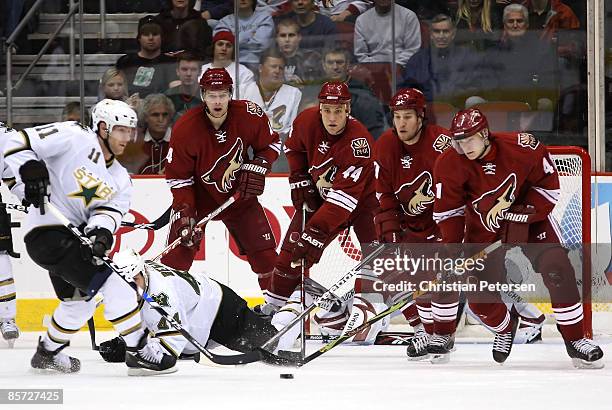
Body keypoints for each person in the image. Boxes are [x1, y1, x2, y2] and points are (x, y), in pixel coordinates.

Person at [433, 107, 604, 368]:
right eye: (458, 141)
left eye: (468, 139)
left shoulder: (522, 148)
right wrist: (454, 249)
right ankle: (505, 327)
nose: (463, 146)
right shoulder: (449, 163)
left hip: (531, 222)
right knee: (480, 298)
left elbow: (548, 187)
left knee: (557, 267)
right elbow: (449, 211)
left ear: (484, 133)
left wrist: (522, 217)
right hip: (483, 230)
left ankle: (576, 340)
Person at [2, 100, 156, 374]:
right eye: (120, 130)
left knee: (80, 301)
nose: (127, 137)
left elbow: (109, 212)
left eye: (130, 131)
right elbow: (17, 141)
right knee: (113, 284)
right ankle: (140, 350)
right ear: (103, 127)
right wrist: (31, 170)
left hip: (77, 241)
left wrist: (101, 235)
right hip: (47, 233)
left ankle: (48, 352)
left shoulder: (120, 177)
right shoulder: (74, 136)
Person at [264, 82, 379, 342]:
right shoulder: (306, 121)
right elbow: (293, 148)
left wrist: (315, 232)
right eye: (327, 110)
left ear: (348, 109)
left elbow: (343, 201)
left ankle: (371, 308)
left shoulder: (359, 141)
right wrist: (299, 176)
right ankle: (272, 309)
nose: (332, 117)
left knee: (375, 252)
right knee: (292, 251)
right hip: (320, 198)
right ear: (320, 108)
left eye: (338, 111)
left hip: (362, 203)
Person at [162, 68, 281, 301]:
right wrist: (185, 211)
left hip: (240, 195)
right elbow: (178, 178)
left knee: (265, 256)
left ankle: (278, 311)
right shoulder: (186, 127)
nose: (217, 101)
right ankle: (166, 307)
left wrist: (259, 165)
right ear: (203, 95)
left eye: (222, 95)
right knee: (177, 256)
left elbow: (272, 145)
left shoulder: (250, 114)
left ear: (230, 93)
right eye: (212, 95)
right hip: (198, 199)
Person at [97, 249, 292, 375]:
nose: (131, 290)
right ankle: (258, 315)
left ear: (142, 273)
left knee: (273, 345)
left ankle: (296, 305)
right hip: (193, 315)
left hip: (219, 308)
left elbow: (168, 356)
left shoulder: (162, 295)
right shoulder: (130, 282)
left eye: (134, 281)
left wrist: (137, 350)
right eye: (125, 284)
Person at [400, 14, 485, 107]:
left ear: (453, 33)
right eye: (437, 31)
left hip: (461, 107)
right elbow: (408, 89)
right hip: (427, 109)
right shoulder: (417, 60)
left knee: (474, 101)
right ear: (431, 34)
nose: (441, 36)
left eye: (446, 31)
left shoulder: (467, 56)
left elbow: (477, 85)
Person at [320, 47, 386, 138]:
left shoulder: (363, 97)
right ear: (323, 65)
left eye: (339, 62)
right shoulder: (313, 90)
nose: (335, 67)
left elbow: (374, 134)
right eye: (330, 63)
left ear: (348, 65)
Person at [242, 48, 302, 142]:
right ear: (260, 68)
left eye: (281, 68)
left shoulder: (294, 93)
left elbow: (293, 129)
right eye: (273, 66)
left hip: (280, 148)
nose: (277, 71)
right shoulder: (243, 90)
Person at [0, 123, 23, 348]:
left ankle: (7, 318)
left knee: (1, 261)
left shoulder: (2, 135)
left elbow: (10, 176)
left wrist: (27, 197)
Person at [116, 16, 176, 98]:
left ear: (162, 37)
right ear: (139, 38)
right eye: (146, 34)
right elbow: (115, 89)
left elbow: (176, 91)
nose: (151, 38)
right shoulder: (125, 62)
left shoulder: (170, 62)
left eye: (155, 34)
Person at [353, 0, 421, 67]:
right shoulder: (361, 20)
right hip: (372, 69)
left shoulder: (409, 16)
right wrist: (374, 68)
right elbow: (360, 54)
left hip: (402, 68)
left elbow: (412, 49)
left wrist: (395, 67)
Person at [119, 94, 175, 175]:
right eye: (155, 115)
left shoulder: (179, 141)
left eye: (165, 115)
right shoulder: (134, 141)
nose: (161, 119)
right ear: (145, 117)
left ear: (170, 116)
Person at [214, 0, 275, 69]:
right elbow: (224, 47)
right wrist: (249, 36)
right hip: (231, 66)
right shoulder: (224, 22)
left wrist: (235, 39)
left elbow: (261, 45)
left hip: (258, 65)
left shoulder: (265, 18)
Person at [199, 30, 257, 99]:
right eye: (220, 44)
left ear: (233, 50)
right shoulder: (200, 70)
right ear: (213, 47)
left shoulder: (244, 73)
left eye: (228, 45)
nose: (224, 48)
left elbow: (249, 101)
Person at [275, 18, 322, 87]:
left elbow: (318, 86)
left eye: (291, 35)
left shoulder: (313, 57)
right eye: (283, 35)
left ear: (299, 37)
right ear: (276, 38)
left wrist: (303, 85)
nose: (287, 40)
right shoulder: (270, 59)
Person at [164, 52, 203, 122]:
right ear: (177, 71)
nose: (188, 74)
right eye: (184, 69)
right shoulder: (168, 96)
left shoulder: (209, 97)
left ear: (200, 72)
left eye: (193, 69)